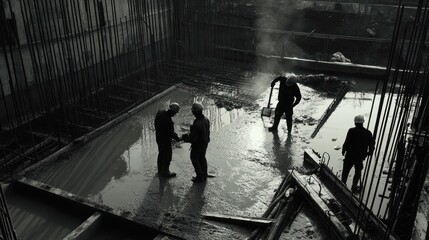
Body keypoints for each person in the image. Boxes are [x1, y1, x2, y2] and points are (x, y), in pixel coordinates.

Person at [341, 115, 375, 194]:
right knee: (358, 172)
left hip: (350, 155)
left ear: (355, 122)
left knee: (345, 171)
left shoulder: (351, 131)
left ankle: (343, 184)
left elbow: (347, 141)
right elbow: (372, 145)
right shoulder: (368, 133)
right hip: (360, 156)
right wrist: (369, 152)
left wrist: (343, 150)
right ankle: (354, 187)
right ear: (363, 122)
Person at [182, 102, 210, 183]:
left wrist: (186, 138)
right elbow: (207, 132)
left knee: (194, 159)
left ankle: (199, 176)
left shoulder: (197, 124)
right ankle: (204, 174)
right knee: (202, 158)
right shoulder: (206, 119)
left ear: (194, 112)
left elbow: (193, 138)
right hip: (204, 143)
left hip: (198, 145)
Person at [154, 102, 181, 178]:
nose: (175, 114)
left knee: (161, 154)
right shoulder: (168, 120)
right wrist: (178, 138)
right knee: (167, 156)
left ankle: (160, 170)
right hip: (165, 140)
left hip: (158, 137)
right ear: (172, 112)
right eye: (175, 113)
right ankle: (166, 172)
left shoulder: (160, 113)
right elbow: (171, 133)